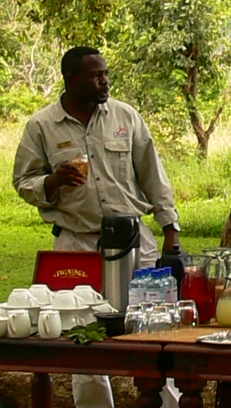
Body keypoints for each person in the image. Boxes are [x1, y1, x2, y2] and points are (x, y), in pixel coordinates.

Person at [13, 47, 182, 408]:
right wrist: (52, 181)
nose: (104, 81)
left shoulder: (125, 116)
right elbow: (23, 181)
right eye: (95, 75)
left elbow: (153, 176)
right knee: (83, 338)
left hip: (134, 242)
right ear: (70, 79)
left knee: (154, 335)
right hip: (77, 244)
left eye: (105, 73)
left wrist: (170, 228)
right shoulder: (42, 125)